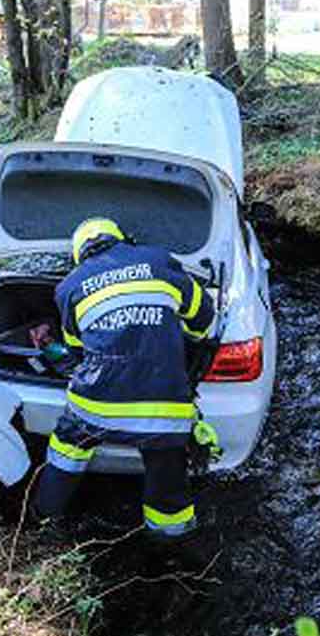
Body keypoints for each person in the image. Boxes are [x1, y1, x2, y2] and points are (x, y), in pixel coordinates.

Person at [36, 217, 216, 542]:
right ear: (122, 239)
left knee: (66, 449)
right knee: (168, 479)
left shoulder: (68, 287)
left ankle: (43, 524)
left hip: (96, 406)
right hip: (164, 411)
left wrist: (49, 347)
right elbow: (203, 319)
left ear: (79, 254)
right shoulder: (160, 260)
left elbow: (77, 349)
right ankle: (171, 549)